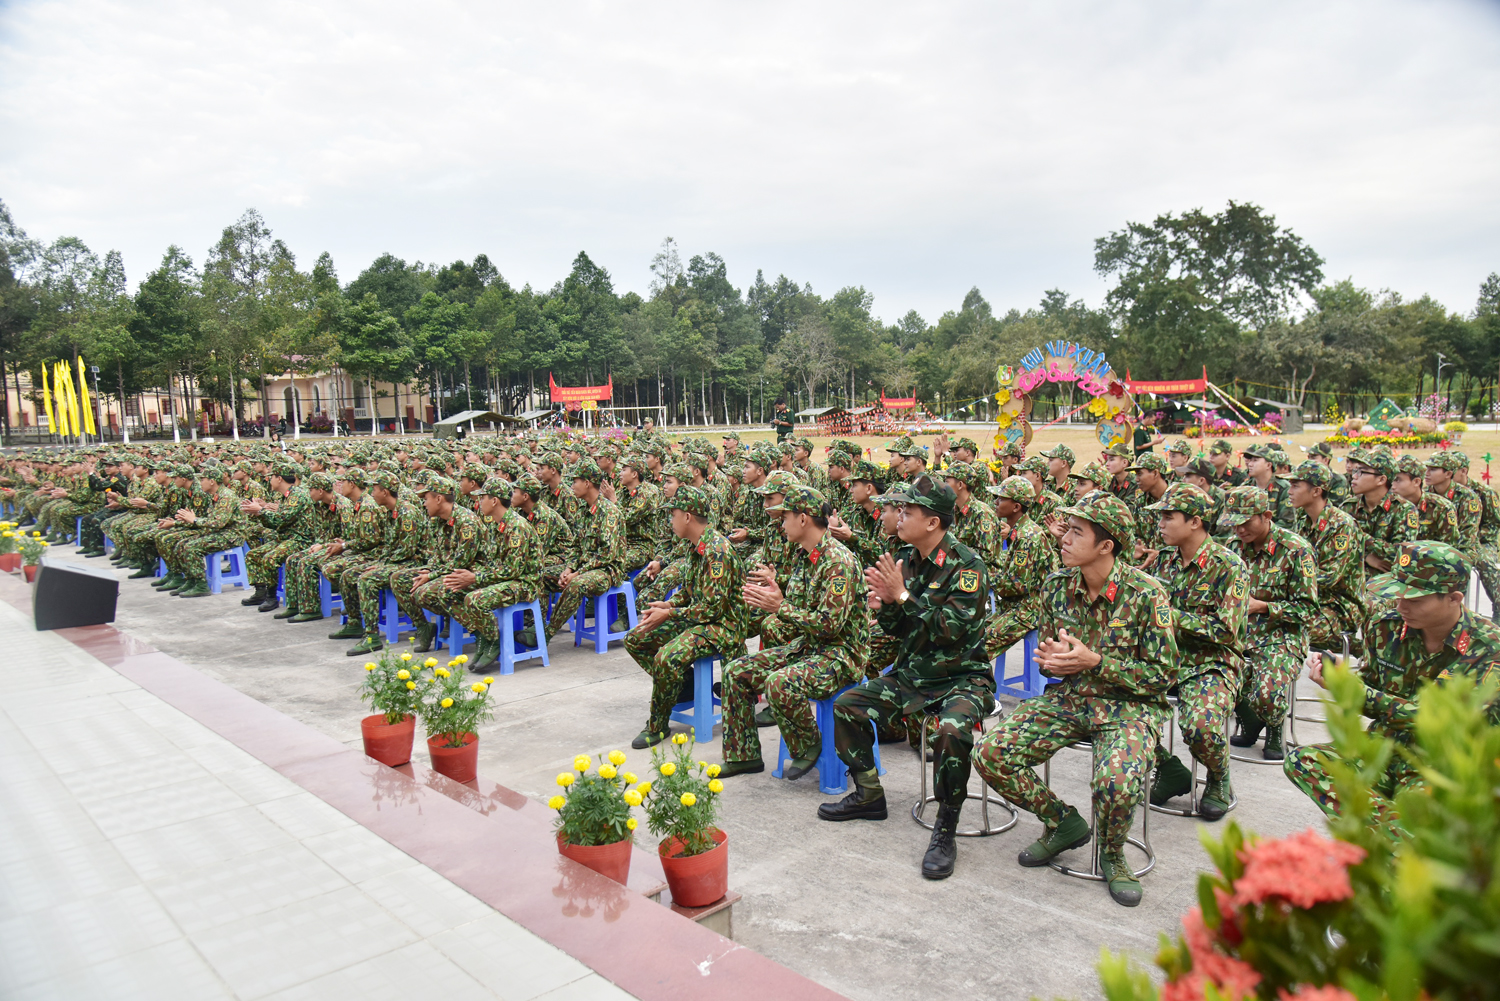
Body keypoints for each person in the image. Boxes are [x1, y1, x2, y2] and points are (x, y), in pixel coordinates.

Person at [972, 491, 1176, 907]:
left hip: (1129, 707)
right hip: (1071, 699)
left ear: (1106, 545)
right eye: (1066, 529)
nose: (1064, 538)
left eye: (1077, 532)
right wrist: (1054, 664)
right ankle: (1062, 821)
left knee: (1114, 782)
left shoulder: (1147, 594)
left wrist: (1095, 662)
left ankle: (1114, 854)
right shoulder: (1056, 586)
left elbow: (1163, 676)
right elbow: (1050, 661)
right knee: (991, 754)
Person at [817, 476, 991, 882]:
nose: (897, 515)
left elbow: (952, 631)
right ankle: (869, 795)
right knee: (849, 706)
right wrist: (884, 603)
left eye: (907, 511)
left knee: (951, 730)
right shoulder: (905, 557)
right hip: (914, 675)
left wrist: (902, 597)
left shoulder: (968, 566)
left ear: (933, 523)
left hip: (962, 680)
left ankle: (946, 826)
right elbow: (900, 628)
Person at [1284, 541, 1500, 836]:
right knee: (1303, 761)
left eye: (1415, 598)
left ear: (1454, 598)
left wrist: (1354, 691)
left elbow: (1432, 719)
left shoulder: (1487, 645)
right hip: (1385, 748)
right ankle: (1396, 838)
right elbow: (1371, 692)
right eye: (1398, 594)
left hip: (1444, 763)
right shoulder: (1386, 627)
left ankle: (1392, 841)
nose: (1401, 606)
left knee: (1422, 803)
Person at [720, 485, 867, 778]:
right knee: (736, 672)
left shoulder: (839, 562)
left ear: (804, 519)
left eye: (786, 516)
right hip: (809, 647)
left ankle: (808, 745)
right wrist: (773, 597)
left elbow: (829, 625)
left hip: (840, 655)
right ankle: (743, 756)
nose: (781, 523)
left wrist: (780, 607)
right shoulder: (806, 556)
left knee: (780, 682)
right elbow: (796, 611)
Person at [1144, 483, 1245, 821]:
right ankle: (1167, 767)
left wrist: (1167, 616)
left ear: (1195, 522)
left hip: (1210, 663)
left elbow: (1226, 630)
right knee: (1109, 705)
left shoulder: (1229, 565)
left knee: (1201, 726)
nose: (1160, 524)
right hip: (1164, 659)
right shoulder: (1163, 562)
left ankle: (1218, 777)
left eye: (1168, 517)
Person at [623, 485, 746, 749]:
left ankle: (657, 726)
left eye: (673, 514)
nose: (670, 521)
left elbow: (713, 608)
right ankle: (684, 685)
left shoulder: (717, 551)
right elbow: (690, 593)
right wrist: (668, 603)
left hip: (723, 627)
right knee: (635, 639)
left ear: (688, 516)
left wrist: (669, 614)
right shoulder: (694, 547)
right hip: (700, 620)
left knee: (666, 656)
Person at [1221, 486, 1318, 761]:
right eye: (1234, 523)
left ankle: (1274, 726)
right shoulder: (1232, 548)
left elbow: (1308, 610)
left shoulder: (1296, 550)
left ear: (1266, 516)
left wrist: (1264, 607)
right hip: (1239, 634)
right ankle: (1251, 721)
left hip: (1281, 634)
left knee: (1267, 693)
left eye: (1246, 522)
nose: (1239, 530)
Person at [1287, 460, 1366, 652]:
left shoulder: (1341, 525)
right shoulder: (1305, 521)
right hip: (1310, 602)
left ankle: (1360, 647)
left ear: (1316, 491)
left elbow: (1329, 577)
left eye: (1296, 486)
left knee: (1285, 630)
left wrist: (1287, 579)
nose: (1289, 491)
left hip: (1339, 608)